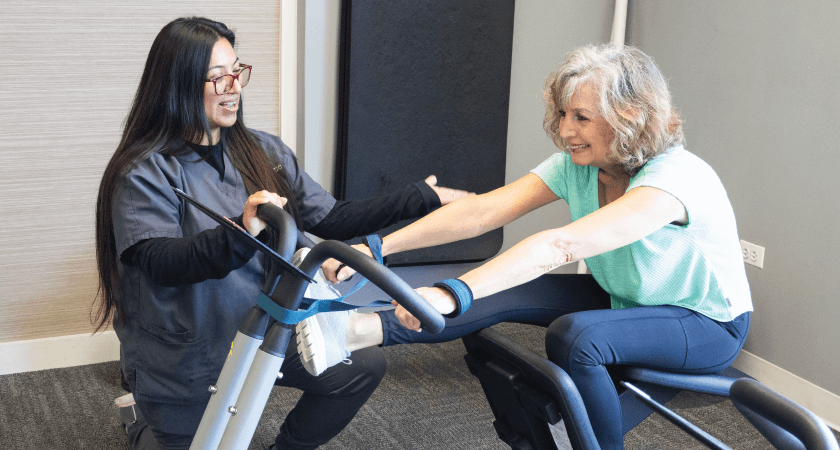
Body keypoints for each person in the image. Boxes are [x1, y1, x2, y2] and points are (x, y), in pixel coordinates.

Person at [308, 44, 753, 450]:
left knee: (577, 338)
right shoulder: (578, 165)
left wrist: (451, 292)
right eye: (562, 114)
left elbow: (560, 245)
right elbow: (482, 212)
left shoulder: (675, 179)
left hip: (705, 322)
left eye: (581, 117)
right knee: (498, 287)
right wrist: (377, 248)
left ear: (629, 115)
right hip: (626, 296)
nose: (565, 130)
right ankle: (354, 331)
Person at [92, 16, 471, 450]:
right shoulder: (145, 171)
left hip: (261, 332)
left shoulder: (263, 150)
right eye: (217, 77)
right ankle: (139, 421)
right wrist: (241, 231)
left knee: (359, 369)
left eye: (237, 71)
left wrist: (420, 197)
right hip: (187, 355)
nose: (234, 86)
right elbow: (164, 263)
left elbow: (332, 218)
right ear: (177, 85)